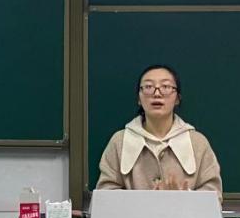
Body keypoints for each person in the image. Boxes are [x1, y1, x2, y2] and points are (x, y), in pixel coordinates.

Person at [95, 64, 223, 199]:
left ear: (177, 98)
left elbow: (214, 196)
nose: (157, 94)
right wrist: (147, 202)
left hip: (184, 214)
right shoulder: (119, 141)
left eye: (166, 87)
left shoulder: (197, 142)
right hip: (135, 214)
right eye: (148, 87)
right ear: (139, 98)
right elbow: (105, 194)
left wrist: (183, 198)